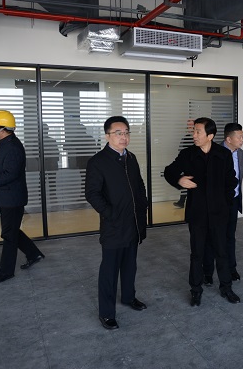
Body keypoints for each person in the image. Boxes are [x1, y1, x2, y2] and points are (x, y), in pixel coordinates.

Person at [164, 117, 241, 306]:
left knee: (221, 251)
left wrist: (225, 202)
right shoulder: (188, 154)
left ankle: (226, 287)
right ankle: (196, 290)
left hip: (219, 213)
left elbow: (231, 180)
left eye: (198, 131)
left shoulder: (223, 154)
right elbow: (169, 171)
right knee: (197, 253)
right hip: (197, 213)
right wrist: (179, 180)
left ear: (210, 135)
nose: (194, 135)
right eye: (194, 131)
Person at [85, 116, 148, 330]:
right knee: (109, 271)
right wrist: (110, 214)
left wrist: (143, 205)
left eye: (126, 132)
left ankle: (129, 297)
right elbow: (92, 194)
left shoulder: (131, 158)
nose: (124, 137)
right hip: (113, 225)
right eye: (118, 133)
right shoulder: (98, 162)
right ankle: (106, 313)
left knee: (130, 265)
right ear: (107, 136)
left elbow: (139, 185)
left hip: (133, 222)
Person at [0, 110, 45, 283]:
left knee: (9, 235)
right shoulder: (5, 144)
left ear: (1, 129)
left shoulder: (12, 147)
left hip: (12, 198)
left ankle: (6, 271)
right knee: (11, 231)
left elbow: (10, 174)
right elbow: (5, 169)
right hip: (7, 197)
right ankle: (33, 253)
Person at [203, 123, 243, 284]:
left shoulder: (242, 155)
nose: (242, 140)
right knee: (211, 237)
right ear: (228, 139)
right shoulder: (213, 152)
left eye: (242, 136)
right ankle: (208, 272)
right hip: (215, 203)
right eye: (239, 137)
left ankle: (231, 268)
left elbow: (239, 180)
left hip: (233, 201)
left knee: (229, 236)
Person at [173, 120, 195, 208]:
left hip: (193, 164)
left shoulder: (197, 138)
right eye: (188, 125)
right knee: (186, 182)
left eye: (191, 125)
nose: (189, 127)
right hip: (187, 164)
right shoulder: (186, 137)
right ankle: (181, 202)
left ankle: (182, 202)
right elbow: (181, 149)